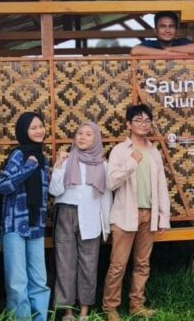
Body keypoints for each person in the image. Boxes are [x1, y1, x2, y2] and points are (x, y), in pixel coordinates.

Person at [102, 104, 170, 321]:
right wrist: (132, 162)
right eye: (138, 120)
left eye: (147, 120)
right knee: (118, 264)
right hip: (124, 216)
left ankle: (136, 305)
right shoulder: (120, 151)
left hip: (148, 215)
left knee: (142, 263)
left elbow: (161, 186)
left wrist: (163, 217)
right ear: (128, 124)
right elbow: (111, 182)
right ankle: (110, 307)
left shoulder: (154, 152)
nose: (144, 124)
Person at [50, 121, 112, 321]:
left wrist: (106, 226)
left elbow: (105, 197)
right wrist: (58, 167)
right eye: (79, 133)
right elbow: (54, 191)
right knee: (65, 264)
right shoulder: (67, 160)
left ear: (96, 139)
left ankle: (84, 313)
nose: (82, 137)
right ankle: (68, 313)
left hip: (91, 217)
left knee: (88, 264)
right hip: (66, 214)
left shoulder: (103, 165)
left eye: (88, 134)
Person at [0, 112, 52, 321]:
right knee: (17, 282)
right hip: (15, 226)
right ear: (23, 132)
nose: (39, 131)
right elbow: (3, 185)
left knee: (39, 280)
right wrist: (28, 168)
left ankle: (40, 318)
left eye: (41, 126)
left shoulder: (43, 159)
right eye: (33, 128)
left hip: (35, 225)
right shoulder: (18, 155)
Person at [129, 11, 194, 56]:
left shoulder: (182, 42)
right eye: (163, 26)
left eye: (171, 26)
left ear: (176, 29)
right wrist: (167, 53)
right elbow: (135, 50)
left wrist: (169, 49)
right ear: (155, 30)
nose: (167, 30)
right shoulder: (150, 44)